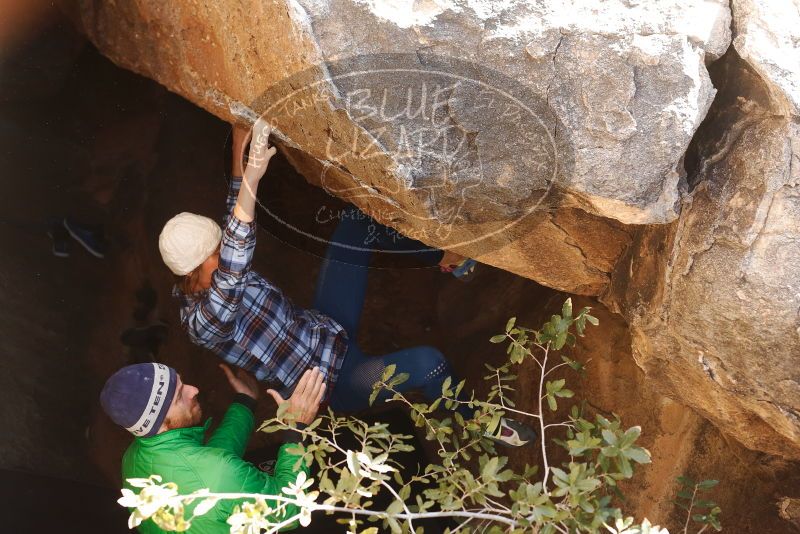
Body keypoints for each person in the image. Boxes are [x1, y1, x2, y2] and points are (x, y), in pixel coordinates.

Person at [157, 118, 534, 447]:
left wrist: (240, 142)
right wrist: (255, 177)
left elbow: (231, 212)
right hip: (334, 383)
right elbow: (237, 254)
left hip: (326, 328)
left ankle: (446, 260)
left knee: (356, 224)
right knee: (430, 365)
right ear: (196, 269)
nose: (223, 245)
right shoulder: (204, 323)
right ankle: (472, 423)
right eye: (216, 250)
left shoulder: (211, 264)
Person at [100, 361, 326, 533]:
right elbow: (290, 509)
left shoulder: (134, 457)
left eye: (182, 383)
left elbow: (209, 463)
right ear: (160, 422)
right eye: (179, 396)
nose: (194, 389)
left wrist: (244, 403)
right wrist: (296, 430)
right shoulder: (215, 474)